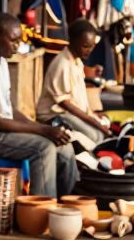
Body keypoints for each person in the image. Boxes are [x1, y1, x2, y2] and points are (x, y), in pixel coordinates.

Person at [0, 12, 77, 196]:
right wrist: (42, 130)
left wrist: (42, 127)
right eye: (13, 41)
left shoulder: (1, 63)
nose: (17, 47)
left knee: (64, 147)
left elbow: (8, 109)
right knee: (43, 148)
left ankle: (67, 205)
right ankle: (41, 214)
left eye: (19, 41)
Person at [36, 18, 113, 146]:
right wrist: (93, 122)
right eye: (85, 46)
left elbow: (78, 98)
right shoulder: (62, 64)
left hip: (71, 114)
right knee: (94, 136)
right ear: (72, 41)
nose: (89, 50)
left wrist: (94, 117)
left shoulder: (77, 62)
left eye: (92, 47)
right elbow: (66, 104)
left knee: (101, 133)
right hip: (54, 116)